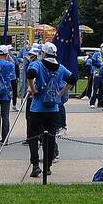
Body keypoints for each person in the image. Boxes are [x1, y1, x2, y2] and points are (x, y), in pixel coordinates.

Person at [25, 51, 71, 179]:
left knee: (32, 136)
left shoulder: (38, 65)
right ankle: (47, 166)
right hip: (53, 108)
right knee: (50, 137)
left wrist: (33, 89)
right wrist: (61, 93)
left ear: (44, 53)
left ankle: (35, 164)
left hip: (37, 108)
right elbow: (72, 79)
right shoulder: (60, 68)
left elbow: (30, 74)